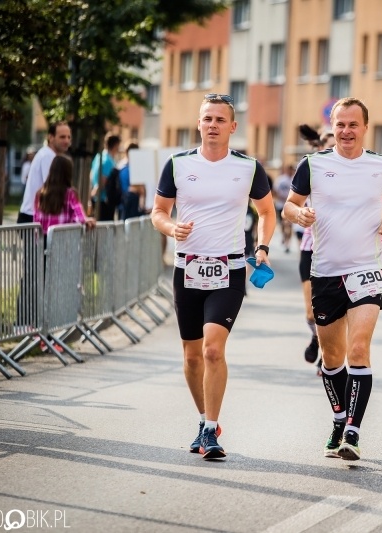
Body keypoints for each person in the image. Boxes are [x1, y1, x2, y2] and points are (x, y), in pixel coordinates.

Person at [151, 93, 276, 460]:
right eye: (207, 119)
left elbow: (267, 212)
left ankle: (210, 431)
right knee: (191, 357)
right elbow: (157, 212)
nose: (213, 125)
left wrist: (263, 247)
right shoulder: (177, 164)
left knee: (212, 350)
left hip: (229, 268)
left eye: (220, 120)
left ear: (233, 127)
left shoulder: (248, 168)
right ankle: (205, 418)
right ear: (199, 123)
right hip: (187, 269)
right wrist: (171, 228)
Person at [283, 97, 382, 461]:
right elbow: (289, 204)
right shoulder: (313, 164)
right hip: (326, 272)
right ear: (332, 127)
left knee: (358, 349)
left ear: (365, 127)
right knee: (331, 356)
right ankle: (339, 418)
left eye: (354, 124)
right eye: (341, 124)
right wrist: (298, 214)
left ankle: (352, 431)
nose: (347, 131)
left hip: (367, 268)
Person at [295, 126, 336, 369]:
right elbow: (293, 203)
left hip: (338, 249)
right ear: (320, 147)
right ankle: (315, 337)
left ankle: (326, 353)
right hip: (311, 246)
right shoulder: (310, 169)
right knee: (311, 313)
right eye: (328, 143)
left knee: (331, 309)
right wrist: (301, 212)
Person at [18, 122, 72, 223]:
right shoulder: (48, 156)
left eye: (69, 137)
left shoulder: (49, 155)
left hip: (35, 215)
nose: (67, 141)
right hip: (33, 216)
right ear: (51, 137)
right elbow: (54, 188)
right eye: (62, 137)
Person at [33, 155, 96, 235]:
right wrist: (86, 220)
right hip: (62, 241)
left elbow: (36, 220)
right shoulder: (70, 194)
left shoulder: (40, 193)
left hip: (43, 241)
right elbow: (79, 215)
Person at [90, 134, 121, 221]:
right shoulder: (108, 161)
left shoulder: (99, 156)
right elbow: (103, 180)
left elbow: (92, 174)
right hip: (104, 200)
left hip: (97, 198)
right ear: (115, 145)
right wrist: (96, 190)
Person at [117, 143, 148, 220]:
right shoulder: (133, 169)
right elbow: (140, 190)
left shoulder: (120, 166)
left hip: (122, 205)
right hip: (131, 205)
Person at [274, 165, 295, 253]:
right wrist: (280, 197)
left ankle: (287, 243)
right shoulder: (281, 179)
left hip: (291, 206)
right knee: (283, 225)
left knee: (289, 225)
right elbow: (274, 191)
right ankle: (284, 236)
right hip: (280, 205)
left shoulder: (295, 179)